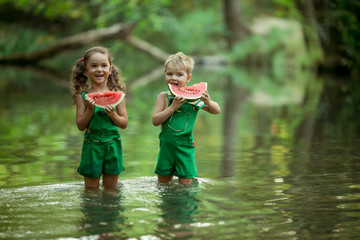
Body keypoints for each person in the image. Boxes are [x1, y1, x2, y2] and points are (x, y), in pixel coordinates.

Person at [152, 52, 220, 185]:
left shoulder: (193, 98)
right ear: (164, 74)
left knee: (186, 185)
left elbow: (216, 110)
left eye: (179, 75)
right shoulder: (164, 97)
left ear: (188, 78)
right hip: (166, 147)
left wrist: (209, 102)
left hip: (185, 147)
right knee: (163, 184)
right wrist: (172, 107)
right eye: (169, 74)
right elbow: (155, 120)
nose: (173, 78)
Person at [71, 46, 128, 189]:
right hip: (92, 145)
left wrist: (113, 114)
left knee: (111, 191)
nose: (99, 70)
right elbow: (80, 126)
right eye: (94, 66)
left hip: (113, 145)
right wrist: (90, 110)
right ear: (85, 70)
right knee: (90, 192)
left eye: (104, 65)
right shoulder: (81, 96)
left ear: (110, 68)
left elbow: (124, 123)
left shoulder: (118, 94)